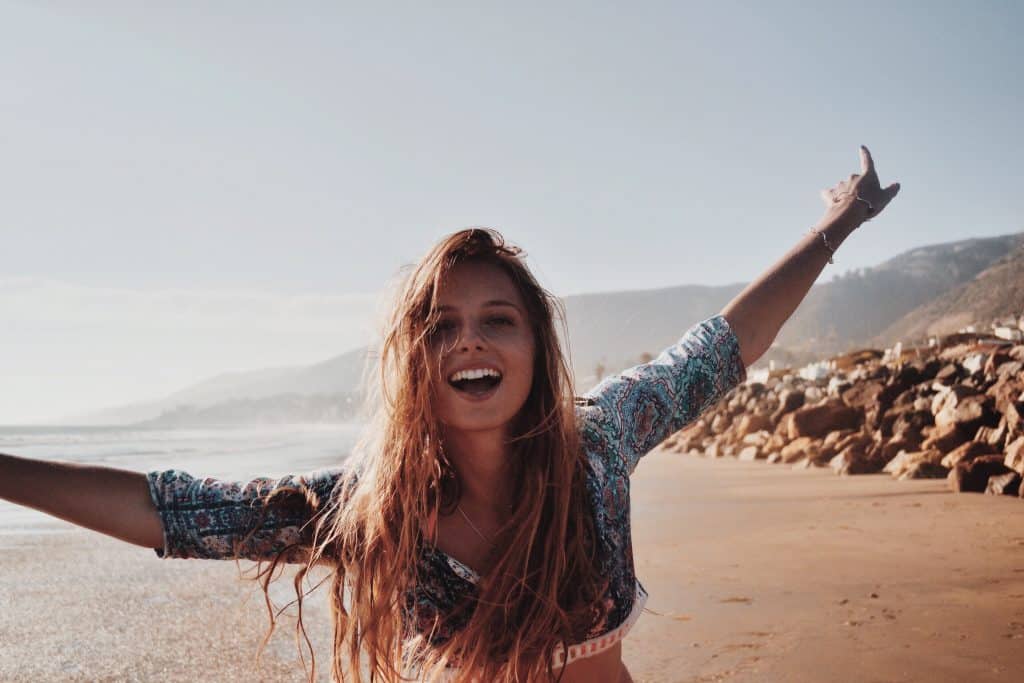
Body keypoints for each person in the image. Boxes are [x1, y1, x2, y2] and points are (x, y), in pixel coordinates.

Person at [0, 146, 899, 682]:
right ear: (414, 363)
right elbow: (175, 509)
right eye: (441, 327)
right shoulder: (373, 508)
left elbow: (721, 345)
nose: (470, 342)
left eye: (497, 321)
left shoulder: (600, 441)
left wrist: (837, 227)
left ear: (539, 347)